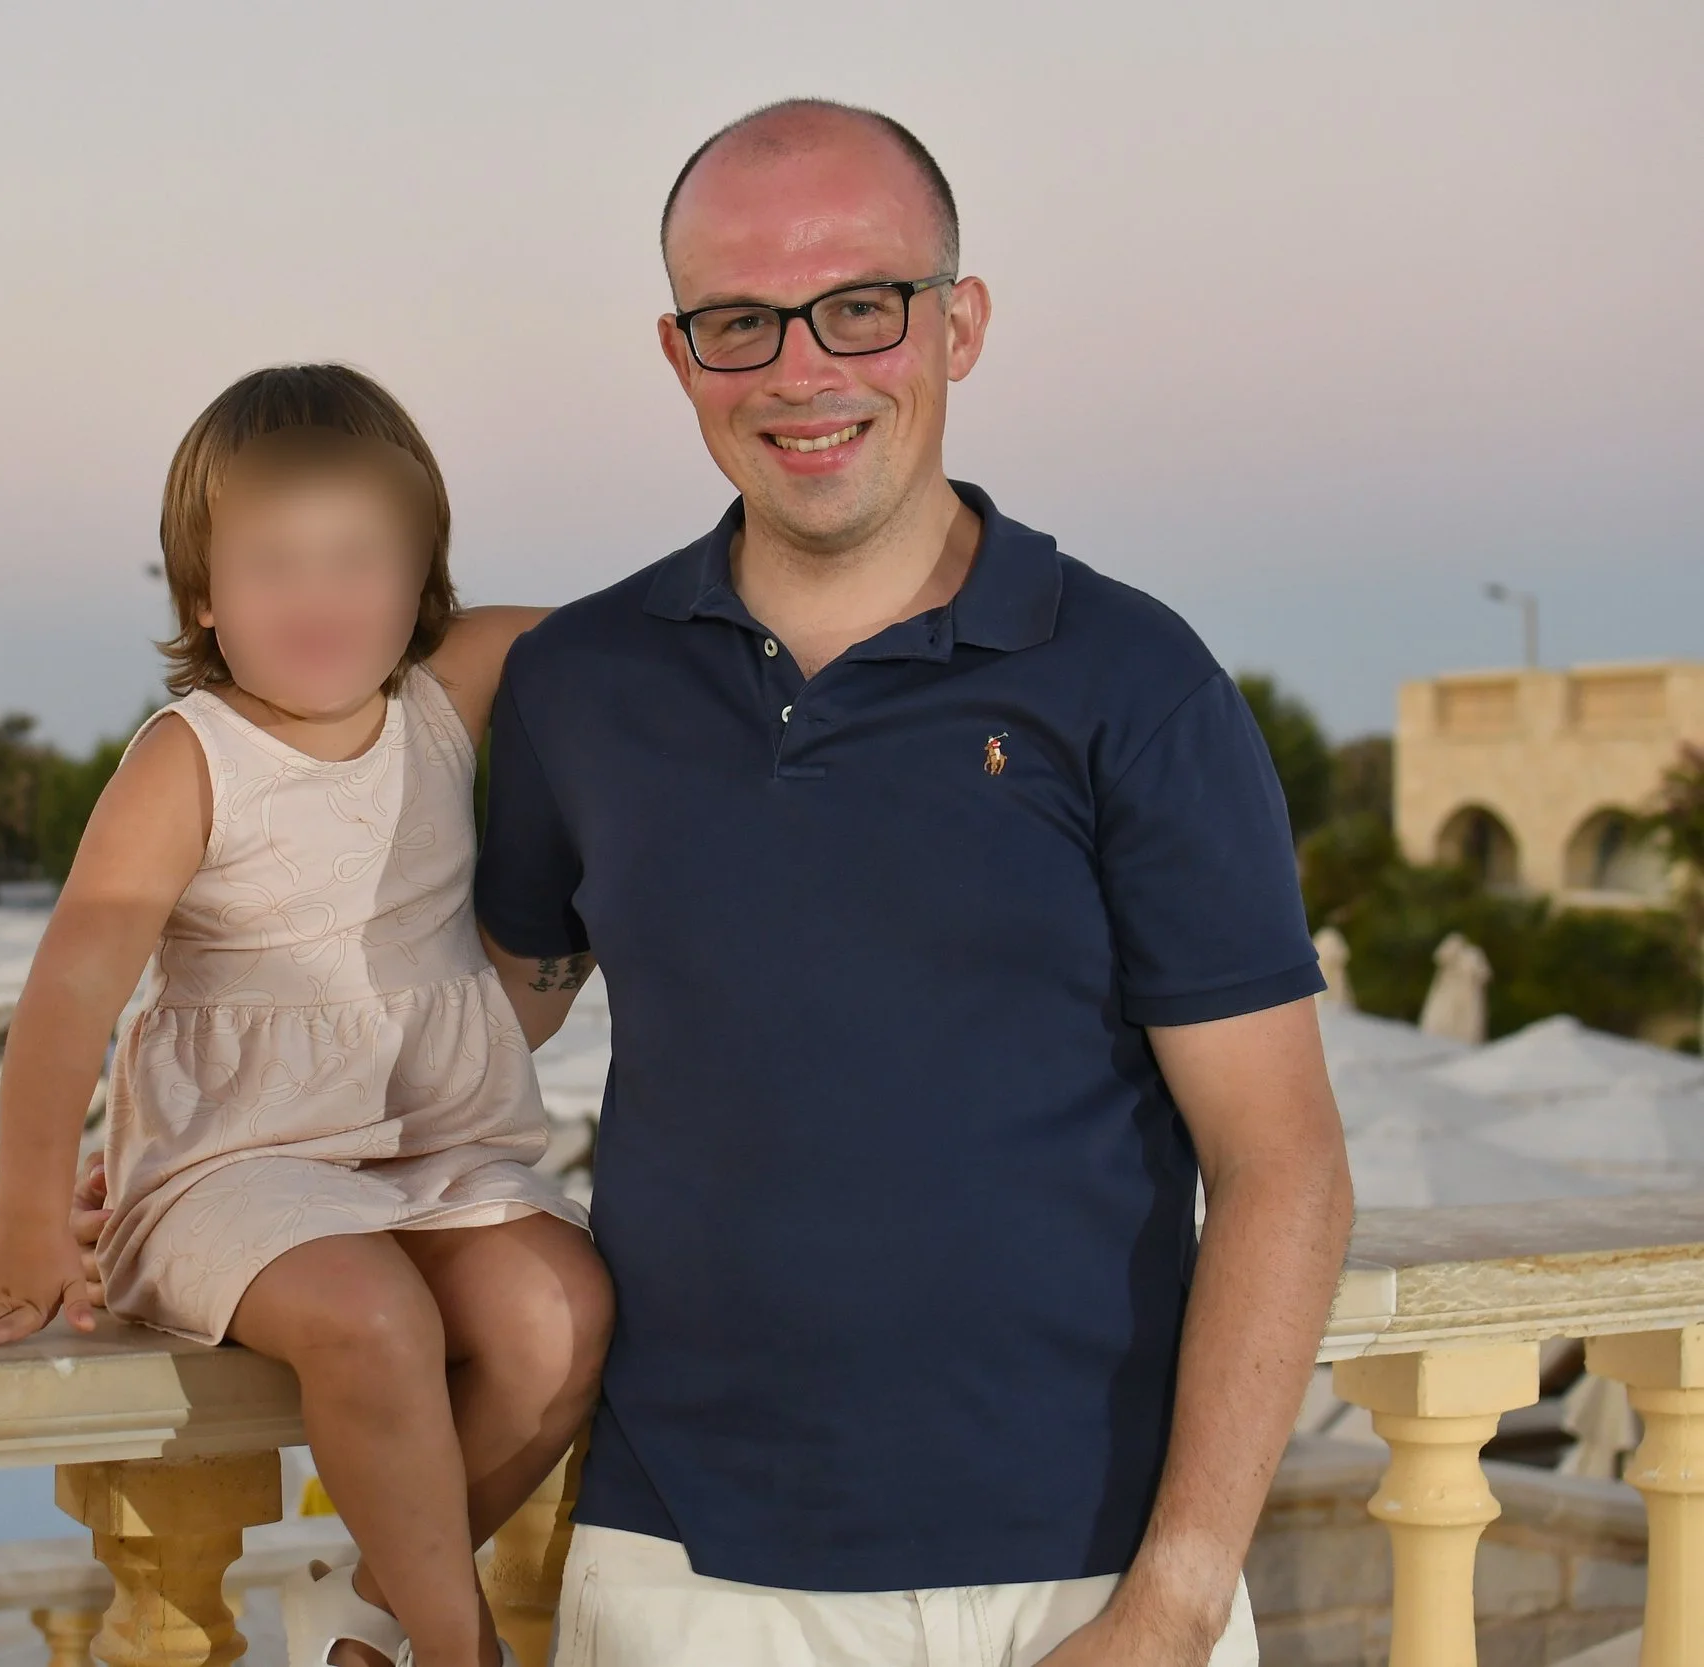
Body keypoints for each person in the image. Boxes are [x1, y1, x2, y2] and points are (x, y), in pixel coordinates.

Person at [466, 100, 1355, 1665]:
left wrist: (1176, 1598)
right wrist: (220, 1153)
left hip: (1079, 1580)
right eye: (740, 321)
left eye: (860, 305)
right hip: (691, 1569)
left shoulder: (1134, 679)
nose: (802, 369)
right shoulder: (581, 683)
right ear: (680, 358)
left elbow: (1282, 1164)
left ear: (962, 325)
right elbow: (485, 1023)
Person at [0, 364, 614, 1667]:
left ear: (424, 583)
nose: (321, 599)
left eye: (362, 559)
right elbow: (72, 987)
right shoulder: (193, 758)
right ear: (204, 592)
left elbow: (642, 639)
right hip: (239, 1166)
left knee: (560, 1312)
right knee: (372, 1319)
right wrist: (25, 1219)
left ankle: (370, 1626)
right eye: (275, 564)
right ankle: (463, 1650)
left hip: (431, 1149)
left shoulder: (440, 699)